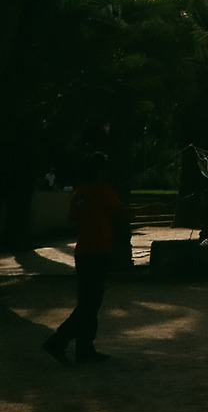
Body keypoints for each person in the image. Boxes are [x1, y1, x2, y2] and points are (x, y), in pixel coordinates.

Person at [43, 153, 138, 363]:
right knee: (90, 305)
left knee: (87, 302)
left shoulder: (80, 192)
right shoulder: (101, 190)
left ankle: (84, 348)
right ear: (99, 171)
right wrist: (151, 209)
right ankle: (58, 341)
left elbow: (73, 217)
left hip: (83, 252)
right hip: (98, 252)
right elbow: (123, 212)